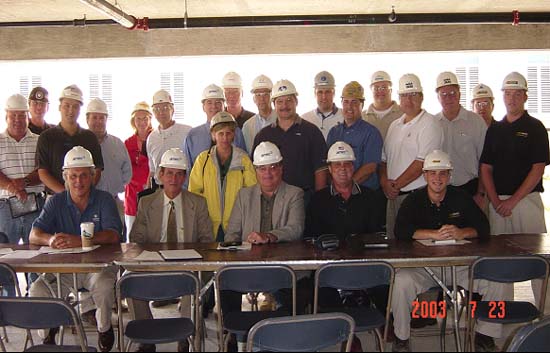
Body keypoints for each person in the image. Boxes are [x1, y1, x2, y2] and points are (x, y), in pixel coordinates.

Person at [391, 150, 507, 352]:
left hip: (461, 267)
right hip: (425, 269)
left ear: (449, 176)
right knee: (401, 282)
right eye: (433, 173)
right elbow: (400, 231)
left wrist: (462, 232)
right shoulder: (413, 200)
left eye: (443, 173)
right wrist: (432, 234)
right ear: (425, 175)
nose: (438, 178)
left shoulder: (461, 198)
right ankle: (401, 338)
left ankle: (485, 335)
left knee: (497, 281)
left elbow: (484, 228)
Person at [29, 146, 121, 352]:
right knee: (38, 289)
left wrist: (80, 240)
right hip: (64, 270)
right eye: (73, 176)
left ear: (92, 176)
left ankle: (104, 328)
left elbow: (114, 235)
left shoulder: (104, 199)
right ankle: (48, 332)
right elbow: (34, 234)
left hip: (98, 268)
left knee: (106, 288)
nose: (78, 181)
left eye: (83, 176)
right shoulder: (55, 201)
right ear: (65, 178)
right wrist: (50, 239)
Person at [480, 71, 550, 315]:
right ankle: (494, 326)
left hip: (526, 203)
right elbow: (485, 168)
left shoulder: (536, 127)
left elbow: (538, 169)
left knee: (539, 264)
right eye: (507, 94)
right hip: (499, 204)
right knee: (498, 267)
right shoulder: (495, 129)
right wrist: (497, 200)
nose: (511, 98)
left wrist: (513, 201)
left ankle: (546, 321)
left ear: (525, 96)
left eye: (516, 93)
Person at [129, 148, 212, 352]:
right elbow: (136, 239)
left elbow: (207, 240)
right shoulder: (146, 203)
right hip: (154, 263)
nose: (174, 178)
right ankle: (146, 337)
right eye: (169, 173)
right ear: (160, 175)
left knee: (194, 282)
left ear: (184, 176)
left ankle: (185, 337)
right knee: (129, 280)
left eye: (179, 173)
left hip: (188, 265)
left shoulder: (198, 203)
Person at [380, 74, 444, 238]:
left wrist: (395, 186)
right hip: (393, 196)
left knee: (415, 244)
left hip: (416, 196)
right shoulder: (395, 125)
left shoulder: (430, 124)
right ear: (399, 98)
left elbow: (422, 164)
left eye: (413, 95)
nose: (408, 100)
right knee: (394, 242)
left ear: (422, 97)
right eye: (404, 96)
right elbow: (384, 161)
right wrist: (385, 184)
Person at [253, 79, 329, 205]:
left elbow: (320, 170)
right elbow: (256, 171)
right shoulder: (263, 135)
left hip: (304, 198)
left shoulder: (311, 132)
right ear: (274, 105)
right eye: (280, 101)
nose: (284, 106)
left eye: (289, 100)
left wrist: (319, 201)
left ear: (296, 102)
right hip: (272, 200)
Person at [189, 112, 256, 241]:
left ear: (233, 135)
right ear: (213, 135)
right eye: (220, 134)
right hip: (208, 223)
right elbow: (194, 193)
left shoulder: (243, 159)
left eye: (228, 133)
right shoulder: (202, 160)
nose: (225, 138)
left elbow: (251, 191)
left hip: (236, 223)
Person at [305, 141, 381, 239]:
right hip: (327, 253)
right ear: (330, 169)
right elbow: (311, 237)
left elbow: (376, 236)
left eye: (347, 164)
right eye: (337, 164)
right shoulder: (317, 200)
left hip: (362, 253)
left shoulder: (370, 197)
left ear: (353, 167)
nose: (342, 168)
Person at [36, 85, 103, 194]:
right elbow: (43, 172)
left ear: (80, 109)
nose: (70, 111)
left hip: (84, 199)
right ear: (59, 107)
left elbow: (97, 170)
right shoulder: (46, 137)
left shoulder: (90, 137)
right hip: (55, 199)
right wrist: (66, 195)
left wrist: (83, 193)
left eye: (75, 106)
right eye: (66, 106)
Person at [434, 72, 487, 201]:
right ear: (438, 97)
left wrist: (480, 193)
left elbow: (485, 161)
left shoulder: (476, 121)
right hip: (440, 191)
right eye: (444, 94)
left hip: (470, 189)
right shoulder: (432, 123)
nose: (448, 98)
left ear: (459, 94)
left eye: (452, 93)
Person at [0, 94, 45, 244]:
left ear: (28, 117)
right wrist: (12, 187)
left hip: (36, 206)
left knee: (37, 256)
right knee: (4, 257)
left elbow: (43, 170)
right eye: (13, 115)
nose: (17, 120)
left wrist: (24, 182)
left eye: (21, 115)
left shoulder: (40, 141)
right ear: (6, 117)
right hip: (5, 208)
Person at [326, 81, 383, 191]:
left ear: (362, 105)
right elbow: (329, 165)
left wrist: (347, 187)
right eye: (346, 102)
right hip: (339, 194)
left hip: (365, 194)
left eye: (354, 102)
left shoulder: (371, 133)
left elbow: (370, 167)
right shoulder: (334, 132)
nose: (349, 107)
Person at [86, 98, 132, 228]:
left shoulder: (117, 144)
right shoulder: (79, 144)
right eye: (94, 117)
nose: (98, 122)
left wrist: (114, 187)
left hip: (113, 202)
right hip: (87, 203)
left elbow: (127, 174)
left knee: (117, 241)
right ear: (87, 119)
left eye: (102, 118)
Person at [183, 84, 247, 175]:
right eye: (209, 102)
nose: (214, 106)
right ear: (203, 107)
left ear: (223, 106)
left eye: (218, 102)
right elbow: (187, 169)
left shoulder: (236, 132)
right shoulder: (192, 136)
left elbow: (244, 164)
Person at [146, 89, 192, 187]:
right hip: (160, 189)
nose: (161, 112)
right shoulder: (151, 138)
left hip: (183, 189)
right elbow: (153, 171)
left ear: (173, 109)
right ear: (153, 112)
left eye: (165, 108)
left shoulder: (187, 132)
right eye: (157, 109)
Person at [124, 102, 153, 234]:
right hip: (132, 193)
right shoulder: (128, 143)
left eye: (145, 118)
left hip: (152, 190)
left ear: (150, 120)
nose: (142, 122)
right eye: (138, 118)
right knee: (133, 232)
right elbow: (124, 168)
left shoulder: (156, 138)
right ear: (133, 121)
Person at [302, 71, 344, 140]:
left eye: (327, 92)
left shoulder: (344, 117)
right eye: (320, 92)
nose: (324, 97)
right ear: (314, 94)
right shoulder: (305, 119)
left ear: (334, 93)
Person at [362, 71, 403, 140]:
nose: (380, 91)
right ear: (371, 90)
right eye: (376, 88)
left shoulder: (403, 113)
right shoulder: (362, 117)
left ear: (391, 90)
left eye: (384, 87)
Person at [242, 74, 277, 153]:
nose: (262, 99)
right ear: (254, 99)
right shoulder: (247, 126)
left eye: (265, 94)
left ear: (272, 97)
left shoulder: (281, 119)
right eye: (258, 95)